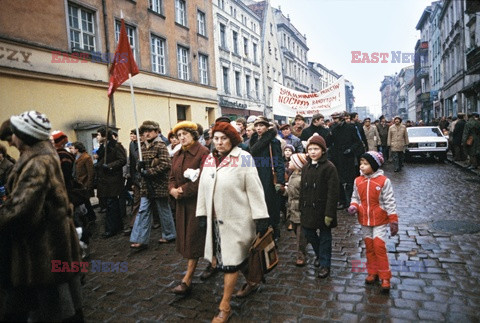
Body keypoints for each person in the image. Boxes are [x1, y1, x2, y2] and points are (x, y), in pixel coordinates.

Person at [0, 110, 83, 321]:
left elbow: (21, 210)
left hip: (44, 248)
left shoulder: (37, 162)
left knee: (50, 309)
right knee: (60, 305)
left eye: (13, 135)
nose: (10, 142)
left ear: (24, 135)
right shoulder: (43, 154)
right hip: (54, 242)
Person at [196, 121, 270, 323]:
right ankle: (253, 281)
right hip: (216, 221)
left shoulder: (244, 158)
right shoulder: (210, 159)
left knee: (230, 263)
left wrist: (261, 217)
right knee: (237, 258)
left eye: (224, 138)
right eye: (216, 138)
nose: (219, 143)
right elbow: (203, 188)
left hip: (238, 220)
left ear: (232, 140)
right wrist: (202, 215)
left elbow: (255, 188)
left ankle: (224, 306)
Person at [168, 121, 212, 295]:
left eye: (185, 134)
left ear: (193, 135)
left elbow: (203, 179)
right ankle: (214, 263)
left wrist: (183, 190)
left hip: (197, 203)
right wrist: (171, 190)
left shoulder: (204, 153)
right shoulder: (178, 153)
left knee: (193, 238)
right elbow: (171, 176)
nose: (181, 138)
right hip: (181, 204)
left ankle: (187, 279)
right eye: (179, 135)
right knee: (188, 237)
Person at [348, 151, 399, 291]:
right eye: (361, 164)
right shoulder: (358, 181)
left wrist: (393, 219)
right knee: (369, 247)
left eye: (366, 164)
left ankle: (385, 277)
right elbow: (355, 197)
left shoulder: (383, 181)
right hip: (364, 220)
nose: (362, 166)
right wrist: (354, 206)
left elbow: (390, 201)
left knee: (379, 246)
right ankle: (372, 271)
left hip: (380, 220)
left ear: (374, 165)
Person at [130, 121, 176, 249]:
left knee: (163, 209)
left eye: (150, 131)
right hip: (146, 184)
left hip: (159, 183)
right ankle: (140, 239)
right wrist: (139, 167)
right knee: (143, 210)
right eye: (144, 131)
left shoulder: (160, 145)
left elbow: (166, 164)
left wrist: (149, 171)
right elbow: (139, 165)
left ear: (156, 132)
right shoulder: (142, 147)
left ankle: (169, 234)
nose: (147, 133)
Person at [300, 134, 339, 278]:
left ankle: (325, 264)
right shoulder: (306, 167)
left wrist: (329, 213)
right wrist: (301, 208)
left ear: (323, 150)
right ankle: (319, 255)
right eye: (310, 149)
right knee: (309, 233)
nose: (313, 152)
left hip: (323, 210)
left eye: (316, 149)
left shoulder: (329, 167)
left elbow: (333, 192)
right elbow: (303, 190)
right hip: (308, 209)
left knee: (325, 238)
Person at [248, 116, 285, 240]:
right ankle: (261, 230)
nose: (258, 128)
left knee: (270, 205)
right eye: (257, 126)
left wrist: (280, 181)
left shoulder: (273, 142)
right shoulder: (252, 140)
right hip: (255, 175)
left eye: (261, 126)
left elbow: (279, 162)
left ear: (267, 127)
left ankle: (274, 231)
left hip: (268, 176)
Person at [95, 126, 127, 238]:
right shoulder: (102, 147)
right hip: (104, 180)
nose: (97, 137)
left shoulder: (116, 146)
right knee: (111, 204)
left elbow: (122, 160)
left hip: (113, 180)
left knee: (111, 204)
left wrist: (109, 166)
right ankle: (117, 226)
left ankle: (111, 228)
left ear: (104, 136)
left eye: (98, 135)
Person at [328, 111, 362, 210]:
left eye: (336, 119)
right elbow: (328, 142)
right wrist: (330, 134)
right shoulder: (333, 129)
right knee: (338, 180)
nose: (334, 121)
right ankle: (342, 201)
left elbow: (357, 142)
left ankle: (350, 201)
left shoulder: (350, 128)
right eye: (333, 119)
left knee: (349, 181)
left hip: (348, 158)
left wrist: (351, 149)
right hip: (337, 158)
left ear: (342, 118)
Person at [284, 153, 308, 266]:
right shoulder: (293, 174)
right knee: (294, 229)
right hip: (292, 208)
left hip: (299, 209)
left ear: (298, 165)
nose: (289, 162)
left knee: (300, 234)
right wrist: (283, 191)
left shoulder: (302, 178)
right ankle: (304, 244)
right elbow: (290, 192)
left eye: (292, 161)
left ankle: (301, 254)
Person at [71, 141, 96, 223]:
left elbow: (91, 172)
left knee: (86, 201)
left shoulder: (86, 157)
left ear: (77, 149)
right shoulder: (75, 157)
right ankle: (90, 218)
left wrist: (88, 184)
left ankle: (91, 218)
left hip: (84, 183)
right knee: (85, 202)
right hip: (79, 184)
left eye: (72, 148)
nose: (71, 150)